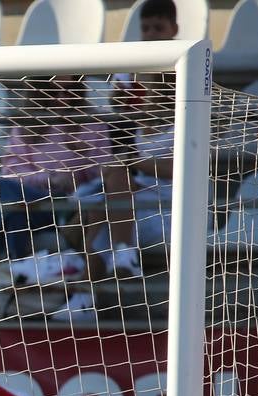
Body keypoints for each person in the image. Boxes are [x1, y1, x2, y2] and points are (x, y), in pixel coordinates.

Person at [50, 0, 179, 321]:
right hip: (132, 205)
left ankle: (81, 278)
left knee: (102, 210)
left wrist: (135, 164)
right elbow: (120, 137)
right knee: (101, 205)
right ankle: (110, 266)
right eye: (139, 87)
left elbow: (182, 171)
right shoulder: (132, 127)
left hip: (171, 212)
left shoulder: (184, 126)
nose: (139, 92)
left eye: (147, 87)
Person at [0, 76, 113, 295]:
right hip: (29, 197)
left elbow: (105, 172)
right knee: (9, 204)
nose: (63, 98)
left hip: (68, 204)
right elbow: (11, 170)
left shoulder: (91, 121)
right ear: (41, 93)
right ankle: (15, 270)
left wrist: (81, 162)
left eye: (70, 91)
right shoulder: (28, 122)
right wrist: (48, 178)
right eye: (54, 92)